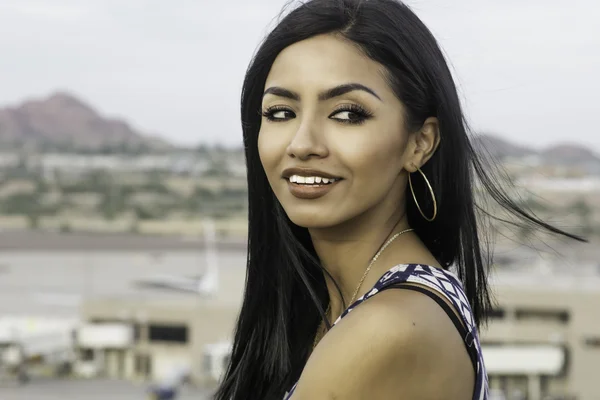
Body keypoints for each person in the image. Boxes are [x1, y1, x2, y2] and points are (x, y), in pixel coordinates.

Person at [213, 1, 584, 399]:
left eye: (347, 114)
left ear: (419, 143)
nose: (302, 144)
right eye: (281, 112)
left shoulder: (388, 329)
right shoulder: (340, 302)